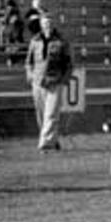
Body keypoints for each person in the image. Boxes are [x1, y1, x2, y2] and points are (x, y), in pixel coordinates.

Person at [24, 12, 73, 152]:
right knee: (41, 115)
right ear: (41, 25)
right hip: (38, 82)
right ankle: (53, 139)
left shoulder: (62, 41)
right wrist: (30, 75)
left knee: (51, 114)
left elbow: (68, 63)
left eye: (50, 23)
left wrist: (64, 79)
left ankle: (45, 145)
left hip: (55, 81)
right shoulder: (35, 41)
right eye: (45, 23)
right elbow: (29, 61)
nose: (48, 26)